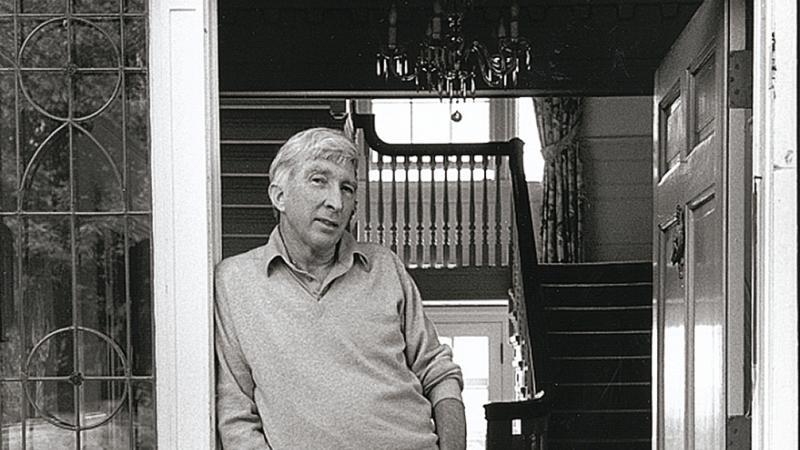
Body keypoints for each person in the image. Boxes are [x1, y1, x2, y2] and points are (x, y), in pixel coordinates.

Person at [215, 127, 466, 450]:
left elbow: (439, 372)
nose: (336, 202)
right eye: (319, 180)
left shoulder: (384, 267)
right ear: (279, 196)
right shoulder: (235, 281)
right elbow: (236, 414)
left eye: (347, 188)